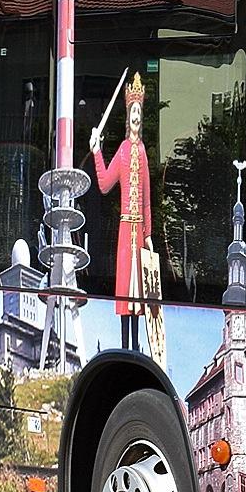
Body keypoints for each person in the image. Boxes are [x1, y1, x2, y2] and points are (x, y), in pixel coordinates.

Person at [92, 72, 157, 352]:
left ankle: (135, 346)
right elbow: (105, 184)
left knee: (138, 293)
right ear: (127, 115)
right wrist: (97, 151)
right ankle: (124, 346)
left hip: (139, 230)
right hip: (123, 231)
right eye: (132, 111)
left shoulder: (142, 151)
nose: (135, 117)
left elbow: (146, 197)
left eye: (139, 112)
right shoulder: (121, 150)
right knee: (123, 291)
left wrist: (149, 234)